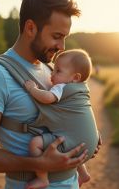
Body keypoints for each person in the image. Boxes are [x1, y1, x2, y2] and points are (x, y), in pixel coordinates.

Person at [0, 0, 101, 189]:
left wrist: (85, 137)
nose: (62, 46)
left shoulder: (52, 69)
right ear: (30, 28)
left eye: (65, 37)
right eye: (56, 36)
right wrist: (38, 164)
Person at [24, 49, 98, 189]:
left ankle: (42, 178)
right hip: (88, 142)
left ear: (75, 77)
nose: (52, 74)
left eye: (58, 71)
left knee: (35, 143)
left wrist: (32, 89)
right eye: (53, 70)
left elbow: (47, 98)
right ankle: (83, 174)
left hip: (73, 141)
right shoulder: (82, 88)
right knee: (74, 141)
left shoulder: (61, 87)